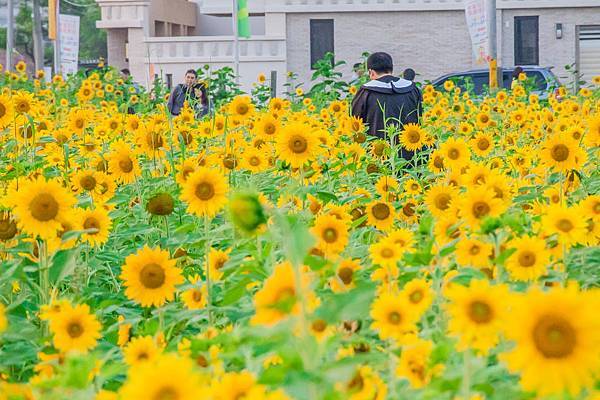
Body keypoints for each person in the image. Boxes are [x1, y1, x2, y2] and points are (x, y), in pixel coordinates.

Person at [351, 52, 423, 161]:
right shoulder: (411, 89)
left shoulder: (366, 92)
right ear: (391, 70)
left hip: (377, 157)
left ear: (371, 72)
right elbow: (419, 117)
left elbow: (356, 122)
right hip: (410, 158)